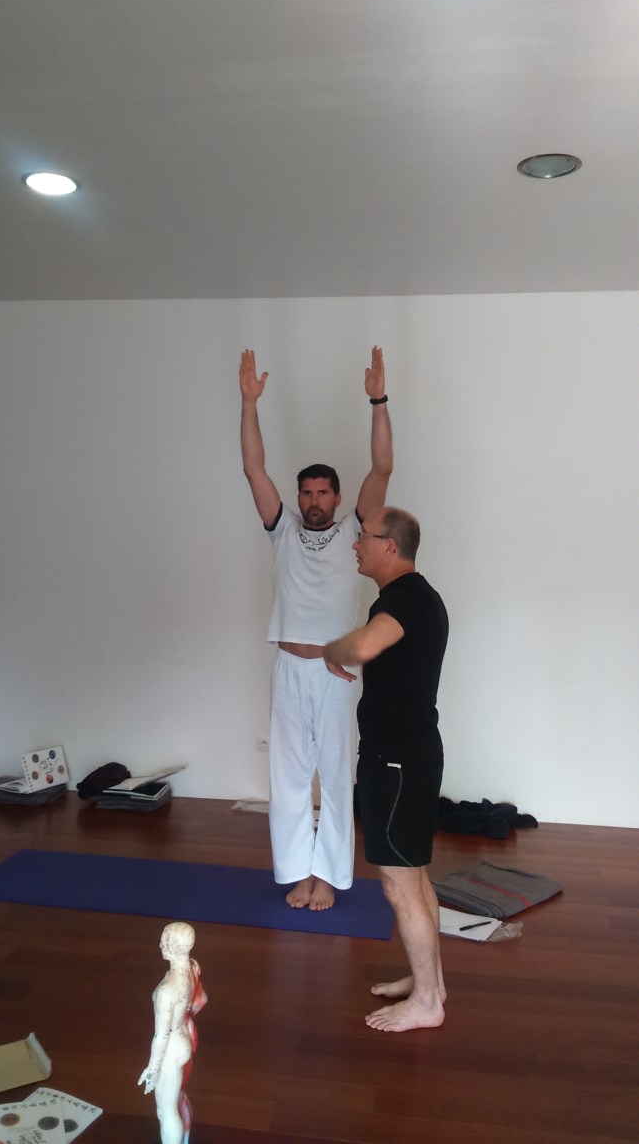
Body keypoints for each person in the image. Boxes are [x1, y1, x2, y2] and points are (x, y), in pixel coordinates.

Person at [239, 346, 393, 911]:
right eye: (306, 492)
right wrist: (249, 405)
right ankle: (298, 871)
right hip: (288, 667)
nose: (313, 501)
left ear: (336, 497)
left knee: (333, 772)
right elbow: (254, 469)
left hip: (336, 672)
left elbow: (382, 469)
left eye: (322, 492)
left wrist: (378, 401)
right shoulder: (282, 529)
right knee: (287, 777)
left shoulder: (355, 529)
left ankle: (328, 876)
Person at [323, 507, 448, 1031]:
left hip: (395, 762)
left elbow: (364, 645)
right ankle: (430, 983)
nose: (356, 545)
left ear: (390, 546)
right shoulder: (419, 597)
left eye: (363, 538)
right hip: (410, 756)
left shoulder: (403, 598)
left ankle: (428, 1004)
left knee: (399, 885)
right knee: (414, 875)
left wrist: (330, 649)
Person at [138, 921, 208, 1144]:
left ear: (175, 947)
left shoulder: (167, 991)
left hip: (171, 1050)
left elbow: (161, 1035)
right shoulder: (193, 967)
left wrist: (152, 1068)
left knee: (166, 1112)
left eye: (164, 941)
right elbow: (201, 999)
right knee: (176, 1099)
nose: (160, 945)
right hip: (184, 1039)